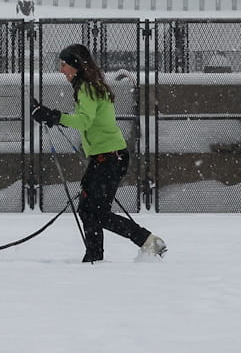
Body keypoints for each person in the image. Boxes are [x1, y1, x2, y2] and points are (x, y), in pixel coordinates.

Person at [31, 43, 167, 263]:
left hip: (109, 158)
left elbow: (84, 121)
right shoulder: (90, 86)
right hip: (108, 157)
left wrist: (55, 117)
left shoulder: (87, 88)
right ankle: (95, 257)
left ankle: (145, 242)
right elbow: (87, 120)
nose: (61, 70)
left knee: (96, 213)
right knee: (89, 210)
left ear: (75, 65)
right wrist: (52, 116)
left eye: (63, 65)